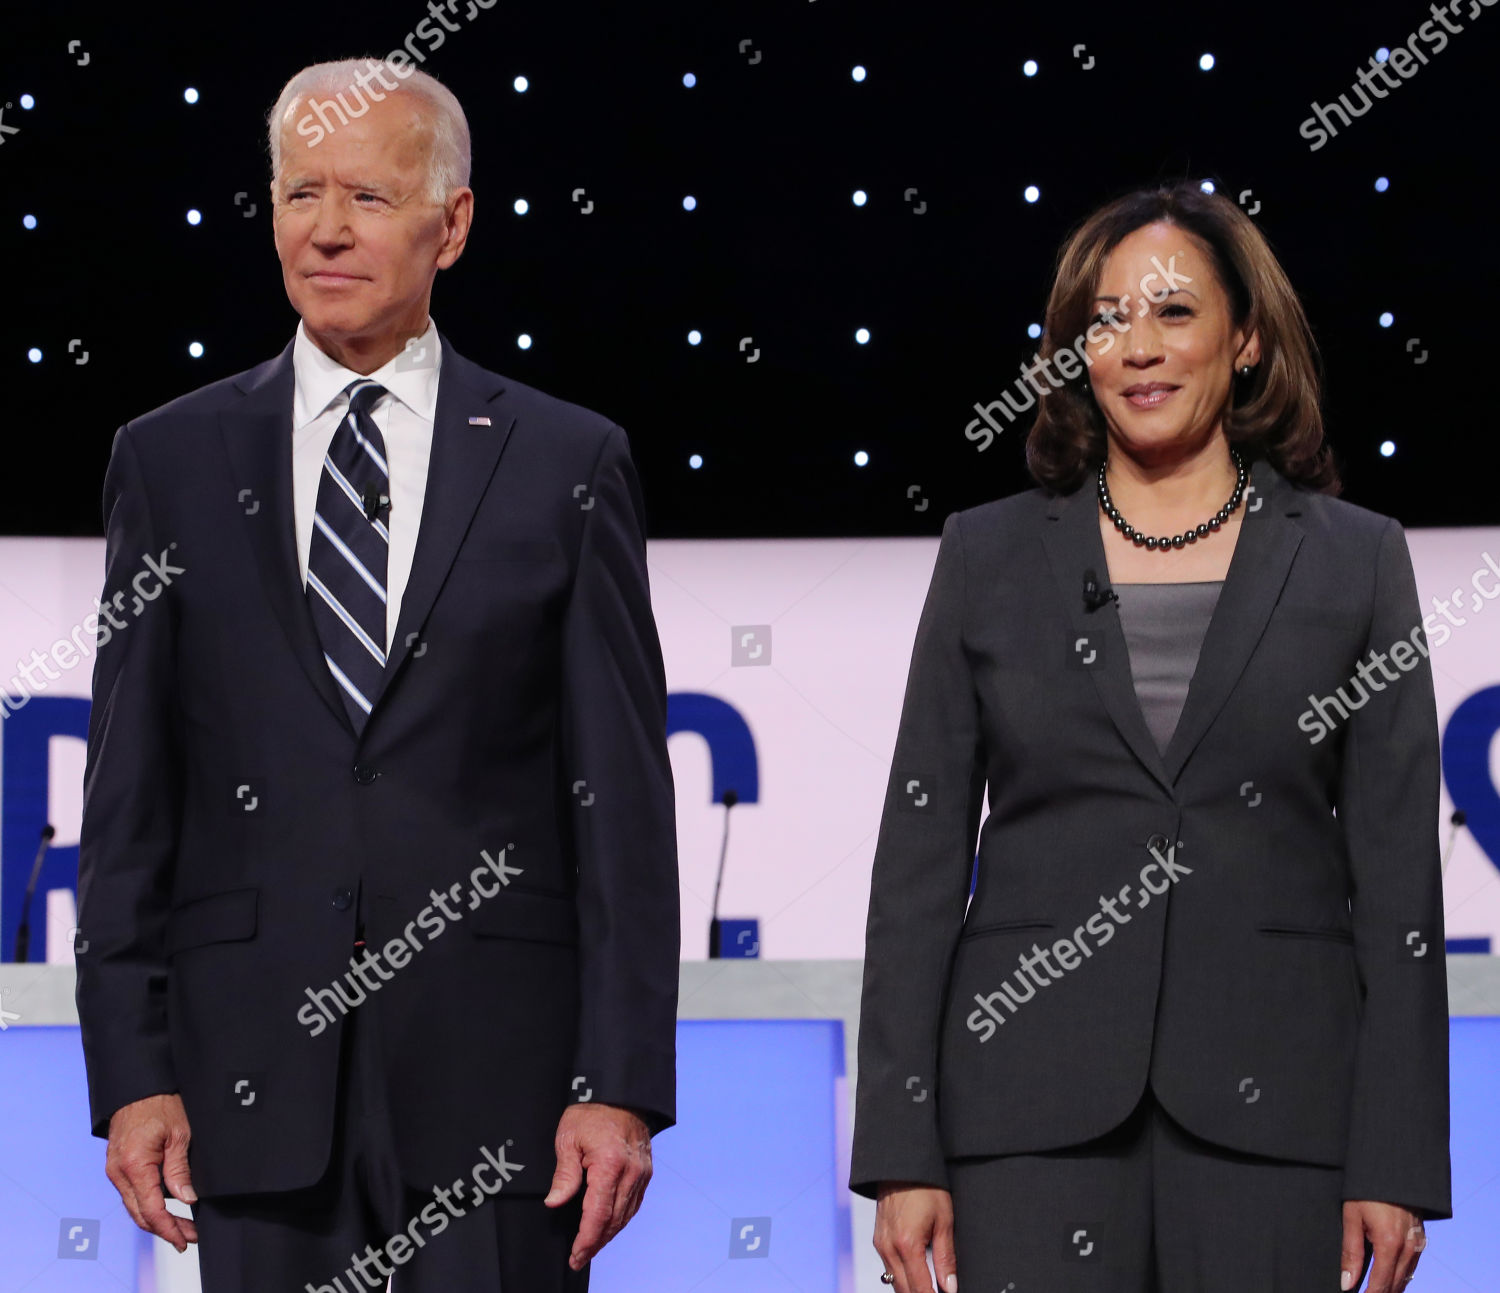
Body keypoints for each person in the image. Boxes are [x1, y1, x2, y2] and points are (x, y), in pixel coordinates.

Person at [75, 57, 679, 1291]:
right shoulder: (171, 459)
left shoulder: (566, 460)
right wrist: (132, 1076)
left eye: (367, 196)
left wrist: (618, 1082)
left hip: (501, 1092)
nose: (328, 230)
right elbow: (128, 798)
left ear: (450, 224)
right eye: (301, 195)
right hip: (251, 1084)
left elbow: (619, 802)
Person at [850, 182, 1449, 1293]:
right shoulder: (987, 556)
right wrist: (899, 1150)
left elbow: (1401, 887)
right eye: (1108, 318)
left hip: (1280, 1128)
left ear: (1249, 339)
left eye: (1174, 313)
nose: (1139, 347)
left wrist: (1399, 1155)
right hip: (1027, 1122)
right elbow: (918, 874)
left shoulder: (1356, 561)